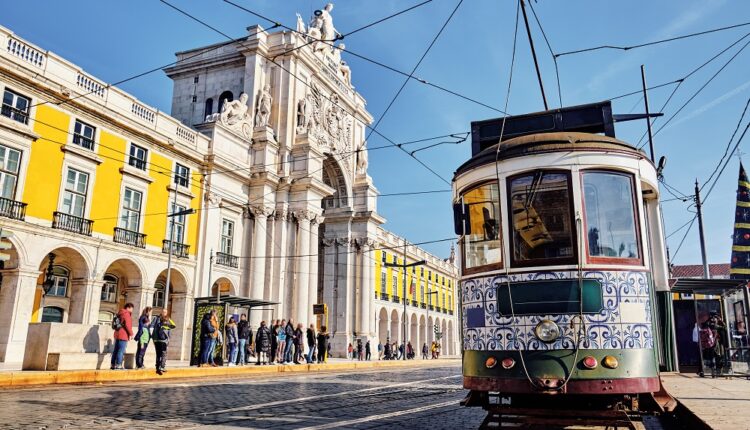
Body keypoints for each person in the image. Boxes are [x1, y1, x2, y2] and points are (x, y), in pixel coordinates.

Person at [151, 308, 176, 375]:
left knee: (158, 354)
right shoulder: (165, 323)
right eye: (164, 312)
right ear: (161, 312)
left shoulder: (160, 322)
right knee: (163, 354)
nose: (164, 313)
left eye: (165, 312)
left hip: (158, 340)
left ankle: (158, 367)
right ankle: (161, 367)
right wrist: (169, 319)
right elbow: (173, 326)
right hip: (162, 341)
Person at [110, 303, 134, 370]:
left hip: (117, 333)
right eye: (132, 308)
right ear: (129, 307)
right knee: (121, 350)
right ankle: (119, 365)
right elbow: (128, 325)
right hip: (123, 334)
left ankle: (113, 365)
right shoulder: (126, 314)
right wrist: (131, 334)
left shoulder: (120, 313)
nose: (132, 310)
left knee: (116, 350)